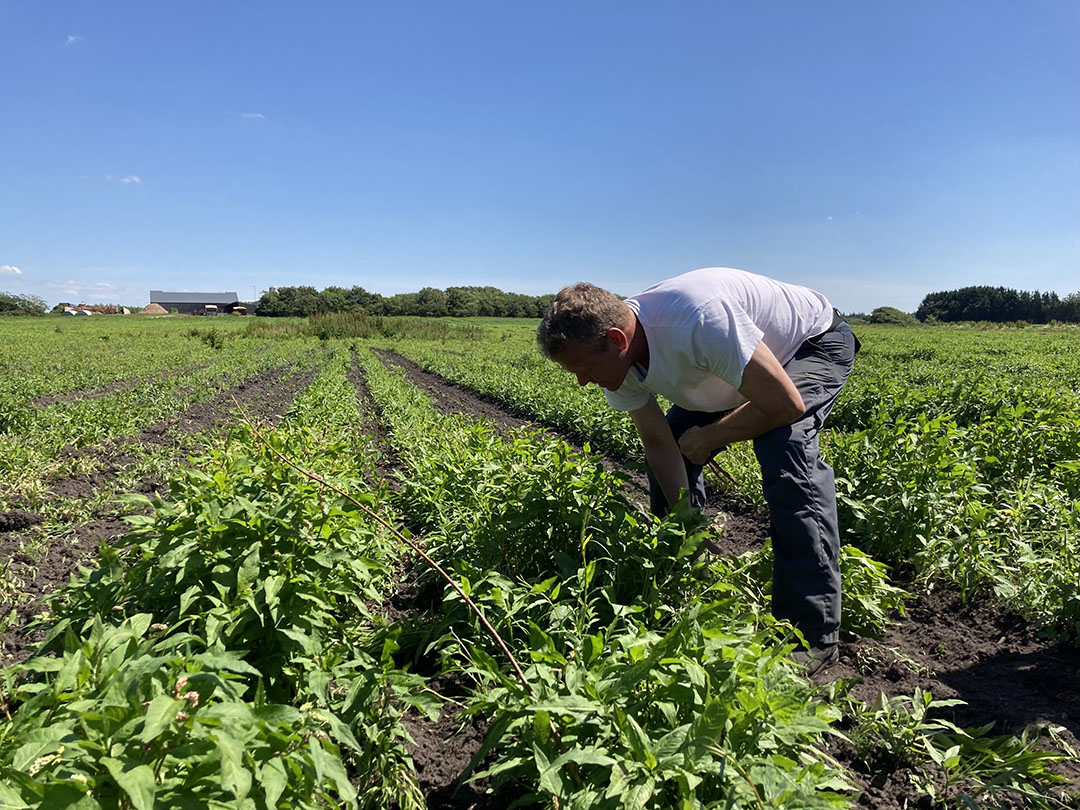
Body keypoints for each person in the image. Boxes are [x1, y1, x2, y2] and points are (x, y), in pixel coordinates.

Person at [536, 267, 859, 675]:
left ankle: (810, 633)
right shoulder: (617, 357)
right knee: (674, 441)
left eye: (583, 368)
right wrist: (689, 530)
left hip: (807, 345)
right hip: (727, 366)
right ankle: (687, 574)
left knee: (785, 445)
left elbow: (784, 404)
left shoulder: (698, 318)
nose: (583, 381)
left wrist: (709, 438)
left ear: (617, 340)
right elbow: (658, 443)